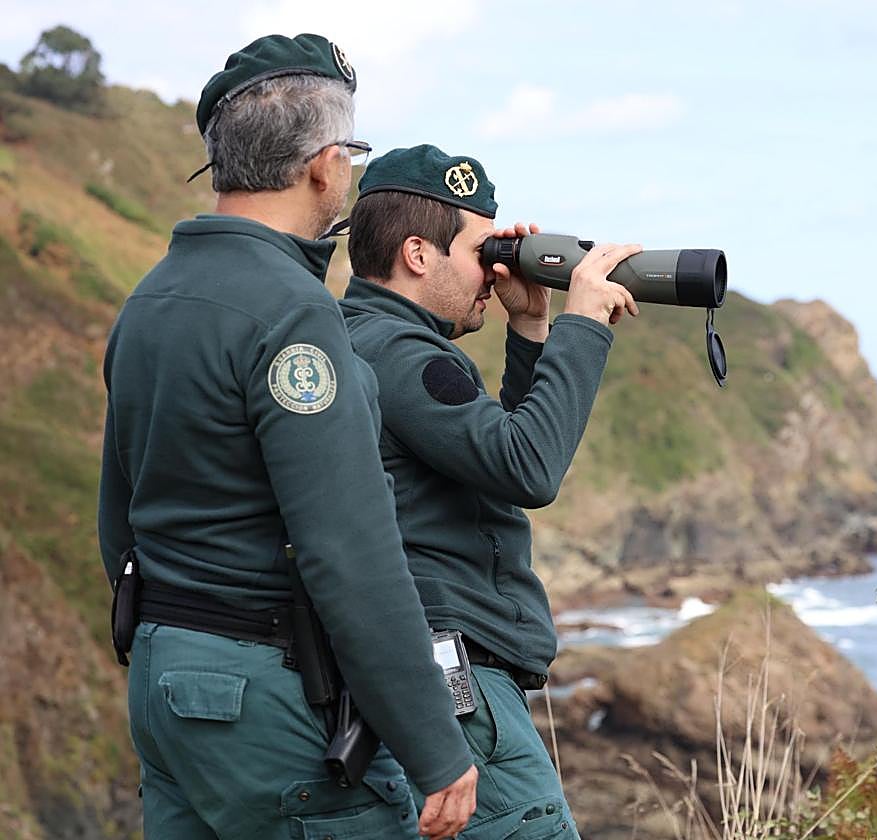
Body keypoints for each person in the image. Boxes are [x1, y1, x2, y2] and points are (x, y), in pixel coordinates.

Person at [97, 37, 476, 840]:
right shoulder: (294, 312)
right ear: (325, 165)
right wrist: (436, 745)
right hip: (263, 689)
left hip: (166, 680)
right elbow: (349, 550)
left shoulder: (150, 298)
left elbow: (117, 517)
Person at [338, 144, 640, 838]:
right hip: (459, 677)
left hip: (419, 665)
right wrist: (583, 325)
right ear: (418, 253)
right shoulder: (401, 356)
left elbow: (490, 458)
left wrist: (530, 329)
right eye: (482, 249)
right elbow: (528, 467)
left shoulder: (359, 334)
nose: (496, 267)